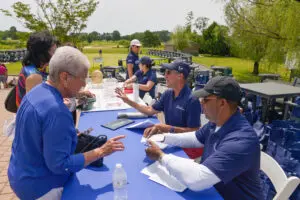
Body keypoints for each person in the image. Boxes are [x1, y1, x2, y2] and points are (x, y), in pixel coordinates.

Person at [8, 46, 126, 200]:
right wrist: (101, 151)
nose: (84, 84)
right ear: (65, 77)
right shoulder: (57, 111)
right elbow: (60, 165)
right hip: (41, 187)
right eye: (83, 77)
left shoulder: (36, 92)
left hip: (19, 176)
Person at [145, 76, 262, 200]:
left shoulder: (241, 141)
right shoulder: (217, 122)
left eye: (205, 99)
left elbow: (197, 180)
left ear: (222, 103)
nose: (201, 102)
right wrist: (163, 137)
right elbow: (195, 138)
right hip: (214, 191)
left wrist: (161, 156)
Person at [116, 60, 202, 158]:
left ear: (180, 76)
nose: (165, 76)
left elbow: (194, 131)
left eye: (168, 72)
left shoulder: (192, 100)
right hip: (170, 142)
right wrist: (128, 101)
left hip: (184, 149)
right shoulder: (168, 94)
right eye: (165, 72)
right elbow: (150, 110)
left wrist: (168, 129)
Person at [15, 31, 57, 107]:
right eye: (53, 51)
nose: (56, 55)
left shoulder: (38, 69)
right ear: (42, 54)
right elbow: (37, 107)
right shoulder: (33, 75)